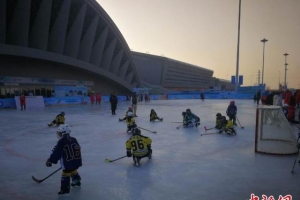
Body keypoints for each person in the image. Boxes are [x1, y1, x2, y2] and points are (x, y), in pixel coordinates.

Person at [45, 124, 82, 195]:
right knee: (73, 169)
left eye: (59, 132)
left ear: (62, 133)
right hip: (76, 161)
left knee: (66, 173)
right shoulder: (74, 139)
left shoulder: (61, 142)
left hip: (67, 163)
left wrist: (50, 160)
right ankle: (76, 181)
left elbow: (56, 153)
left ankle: (65, 189)